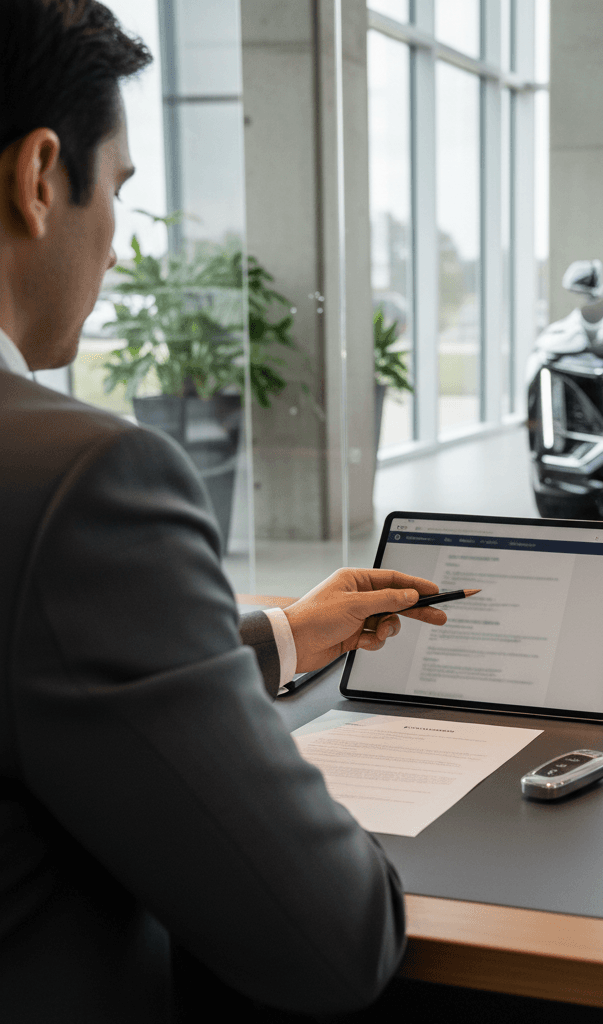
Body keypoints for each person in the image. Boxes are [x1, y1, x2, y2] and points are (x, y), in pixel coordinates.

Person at [0, 1, 446, 1019]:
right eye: (114, 189)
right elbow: (335, 940)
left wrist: (282, 637)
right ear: (37, 179)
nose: (114, 241)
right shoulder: (84, 481)